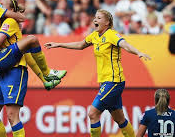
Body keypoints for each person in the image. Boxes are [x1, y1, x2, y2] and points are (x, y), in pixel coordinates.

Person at [45, 9, 151, 137]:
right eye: (95, 17)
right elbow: (80, 45)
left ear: (107, 22)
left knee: (92, 113)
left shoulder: (111, 34)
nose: (95, 20)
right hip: (105, 82)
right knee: (120, 119)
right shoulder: (94, 36)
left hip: (114, 81)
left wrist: (138, 52)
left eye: (99, 18)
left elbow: (125, 45)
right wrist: (58, 44)